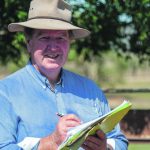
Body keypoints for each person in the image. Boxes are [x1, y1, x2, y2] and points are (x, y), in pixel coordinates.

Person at [0, 0, 128, 150]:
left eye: (61, 38)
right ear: (29, 43)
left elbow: (119, 140)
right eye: (44, 38)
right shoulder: (6, 92)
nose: (53, 47)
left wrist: (105, 147)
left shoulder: (91, 90)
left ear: (69, 43)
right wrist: (50, 142)